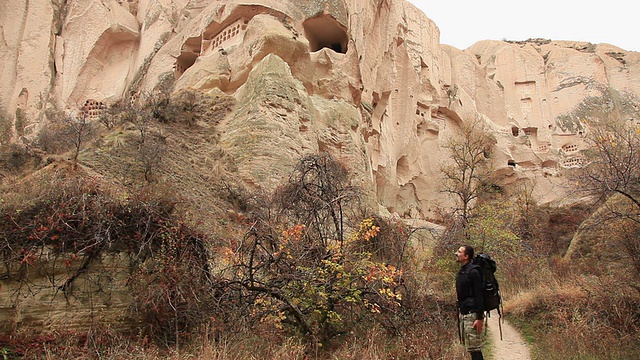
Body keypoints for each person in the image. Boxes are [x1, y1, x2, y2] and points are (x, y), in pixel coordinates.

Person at [456, 245, 485, 360]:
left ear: (466, 256)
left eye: (459, 252)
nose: (457, 254)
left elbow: (479, 296)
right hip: (464, 314)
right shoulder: (462, 271)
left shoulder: (473, 272)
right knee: (470, 349)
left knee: (475, 350)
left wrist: (479, 318)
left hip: (472, 315)